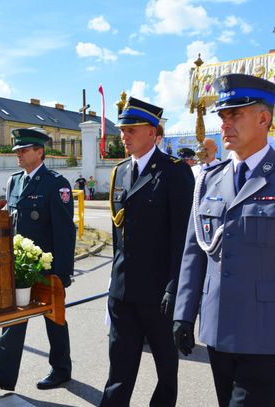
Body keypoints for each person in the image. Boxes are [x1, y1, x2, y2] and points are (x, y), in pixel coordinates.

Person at [173, 73, 275, 406]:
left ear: (264, 118)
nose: (225, 123)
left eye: (235, 114)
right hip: (217, 329)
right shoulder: (210, 180)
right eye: (223, 116)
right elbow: (194, 252)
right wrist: (184, 314)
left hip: (266, 335)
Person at [101, 97, 194, 407]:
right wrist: (113, 285)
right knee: (119, 369)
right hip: (124, 292)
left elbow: (182, 237)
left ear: (153, 132)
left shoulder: (174, 173)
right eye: (122, 130)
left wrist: (175, 288)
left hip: (159, 296)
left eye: (131, 129)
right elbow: (119, 239)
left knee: (166, 369)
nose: (123, 136)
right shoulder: (119, 173)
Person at [0, 127, 76, 391]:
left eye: (24, 150)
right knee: (12, 318)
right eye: (17, 150)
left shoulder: (56, 184)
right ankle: (4, 375)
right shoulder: (14, 181)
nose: (18, 154)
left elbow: (65, 232)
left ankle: (61, 369)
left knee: (54, 319)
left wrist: (63, 272)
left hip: (46, 267)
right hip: (18, 267)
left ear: (39, 152)